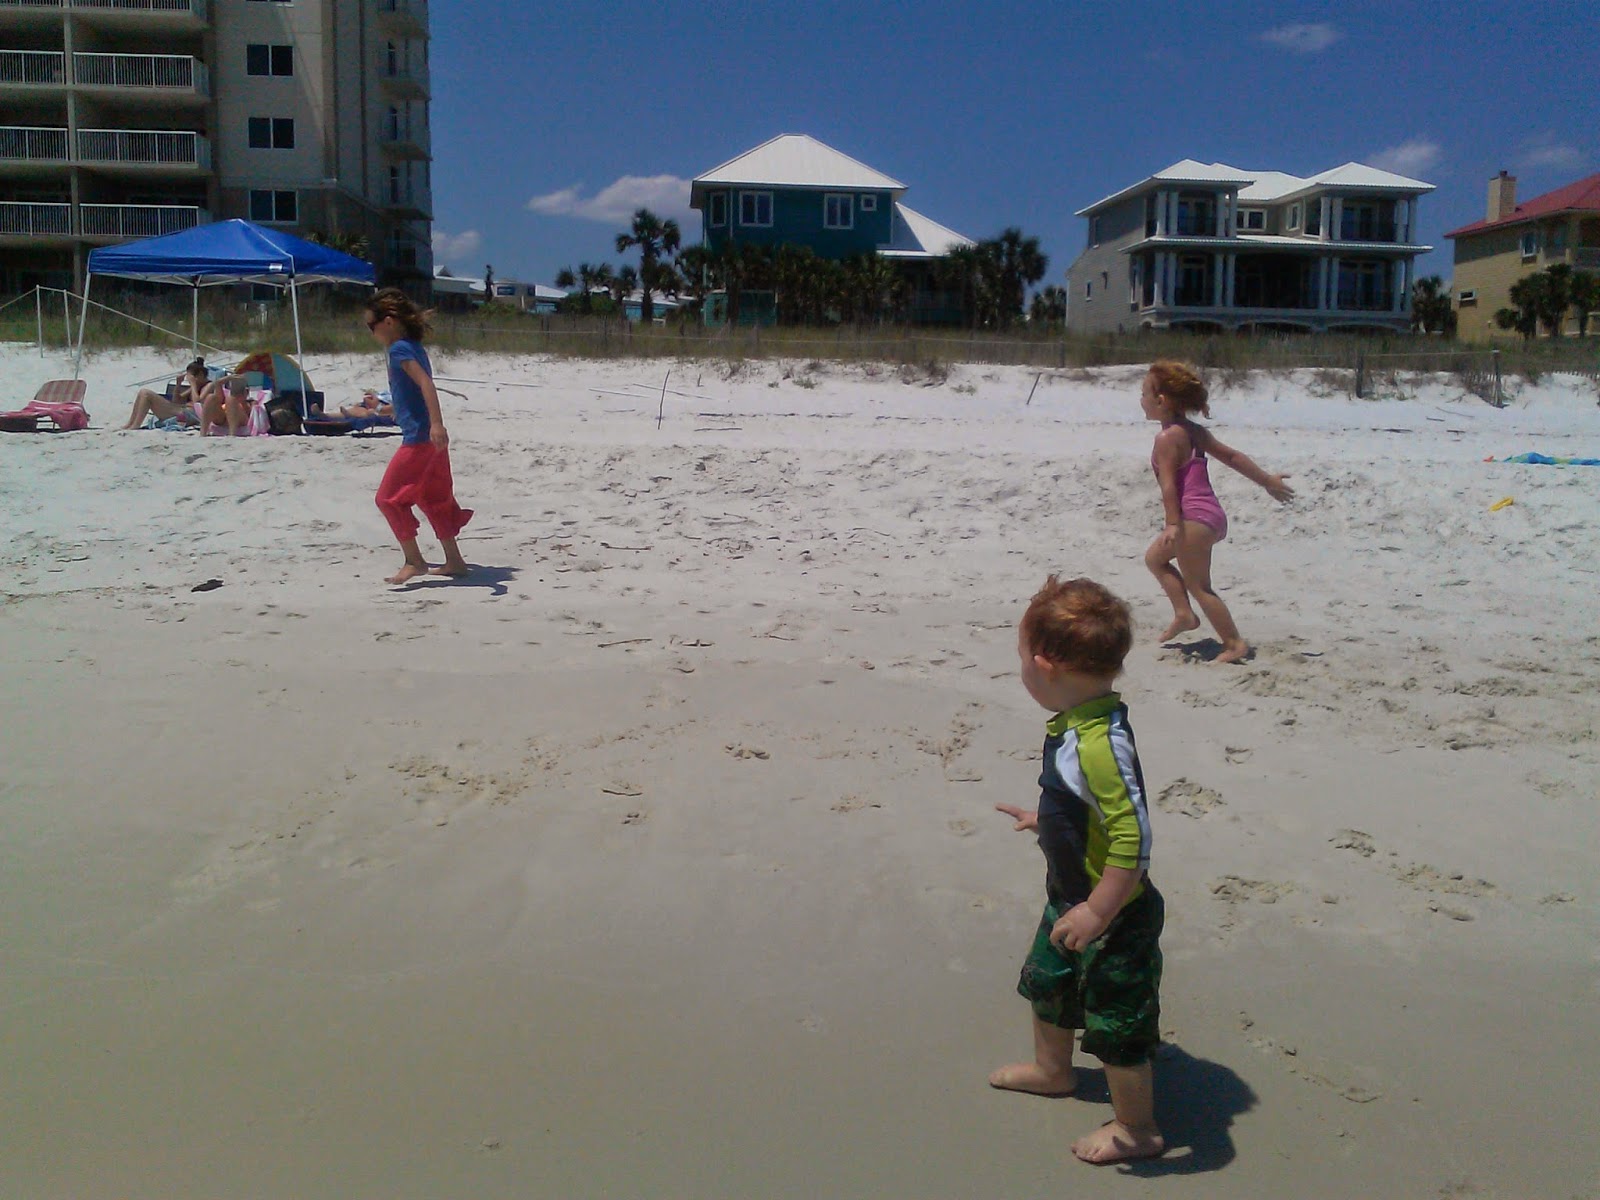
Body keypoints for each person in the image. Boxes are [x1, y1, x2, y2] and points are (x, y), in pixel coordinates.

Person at [989, 575, 1165, 1165]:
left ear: (1044, 666)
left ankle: (1137, 1129)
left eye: (1021, 658)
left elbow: (1132, 837)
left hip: (1114, 914)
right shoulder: (1076, 724)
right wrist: (1047, 820)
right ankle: (1052, 1070)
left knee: (1117, 1022)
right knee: (1048, 982)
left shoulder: (1100, 743)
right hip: (1070, 896)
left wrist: (1099, 910)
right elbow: (1086, 806)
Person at [1140, 360, 1293, 664]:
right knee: (1155, 559)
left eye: (1144, 394)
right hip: (1211, 516)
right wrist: (1266, 481)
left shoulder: (1166, 438)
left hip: (1192, 519)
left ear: (1161, 400)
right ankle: (1183, 614)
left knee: (1199, 586)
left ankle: (1234, 643)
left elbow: (1169, 486)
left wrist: (1173, 524)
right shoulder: (1194, 431)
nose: (1141, 400)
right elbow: (1232, 456)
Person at [364, 287, 472, 584]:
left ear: (388, 322)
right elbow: (411, 395)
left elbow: (426, 384)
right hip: (431, 441)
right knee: (434, 498)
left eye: (371, 325)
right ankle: (454, 561)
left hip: (420, 440)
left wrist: (436, 424)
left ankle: (414, 561)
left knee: (387, 499)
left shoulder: (399, 350)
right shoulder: (413, 347)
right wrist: (384, 409)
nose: (371, 332)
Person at [121, 357, 207, 429]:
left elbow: (197, 404)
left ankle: (136, 425)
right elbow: (176, 401)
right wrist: (178, 384)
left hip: (190, 415)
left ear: (200, 375)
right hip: (181, 410)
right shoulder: (195, 387)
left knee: (146, 394)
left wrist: (193, 384)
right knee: (142, 392)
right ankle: (130, 423)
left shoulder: (208, 385)